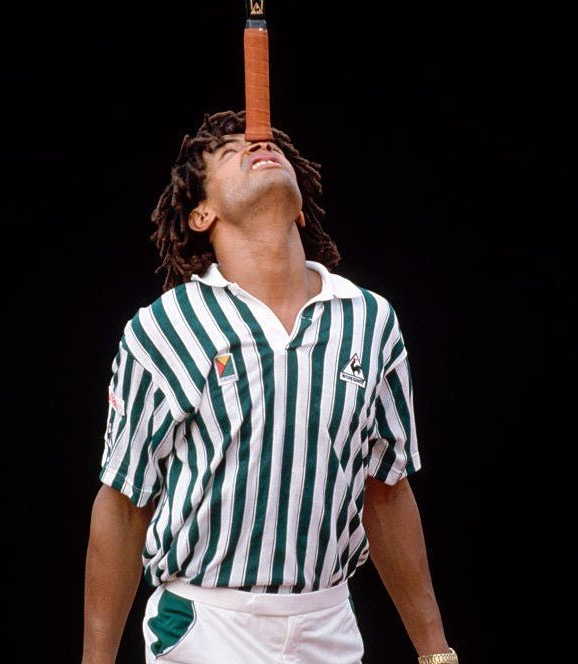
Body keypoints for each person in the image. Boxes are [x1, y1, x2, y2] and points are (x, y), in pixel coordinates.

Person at [82, 109, 458, 664]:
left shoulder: (371, 322)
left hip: (328, 622)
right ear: (200, 213)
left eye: (265, 144)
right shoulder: (164, 327)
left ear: (302, 208)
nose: (257, 144)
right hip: (206, 623)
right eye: (230, 151)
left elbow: (387, 490)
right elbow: (122, 506)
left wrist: (435, 652)